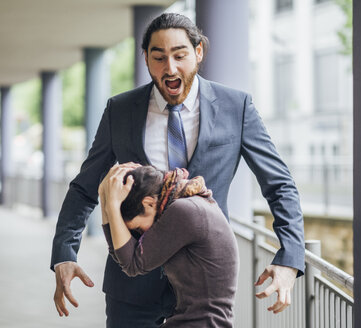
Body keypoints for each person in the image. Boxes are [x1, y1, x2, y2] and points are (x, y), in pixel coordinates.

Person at [51, 13, 305, 327]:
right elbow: (85, 187)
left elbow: (279, 184)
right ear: (145, 59)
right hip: (131, 287)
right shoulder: (120, 109)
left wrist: (290, 258)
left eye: (179, 55)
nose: (170, 68)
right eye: (158, 58)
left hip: (204, 291)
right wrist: (65, 251)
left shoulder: (235, 107)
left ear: (198, 53)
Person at [99, 164, 239, 328]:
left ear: (149, 203)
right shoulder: (187, 203)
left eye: (137, 228)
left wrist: (112, 206)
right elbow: (122, 255)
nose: (141, 234)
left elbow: (132, 264)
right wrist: (105, 199)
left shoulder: (184, 210)